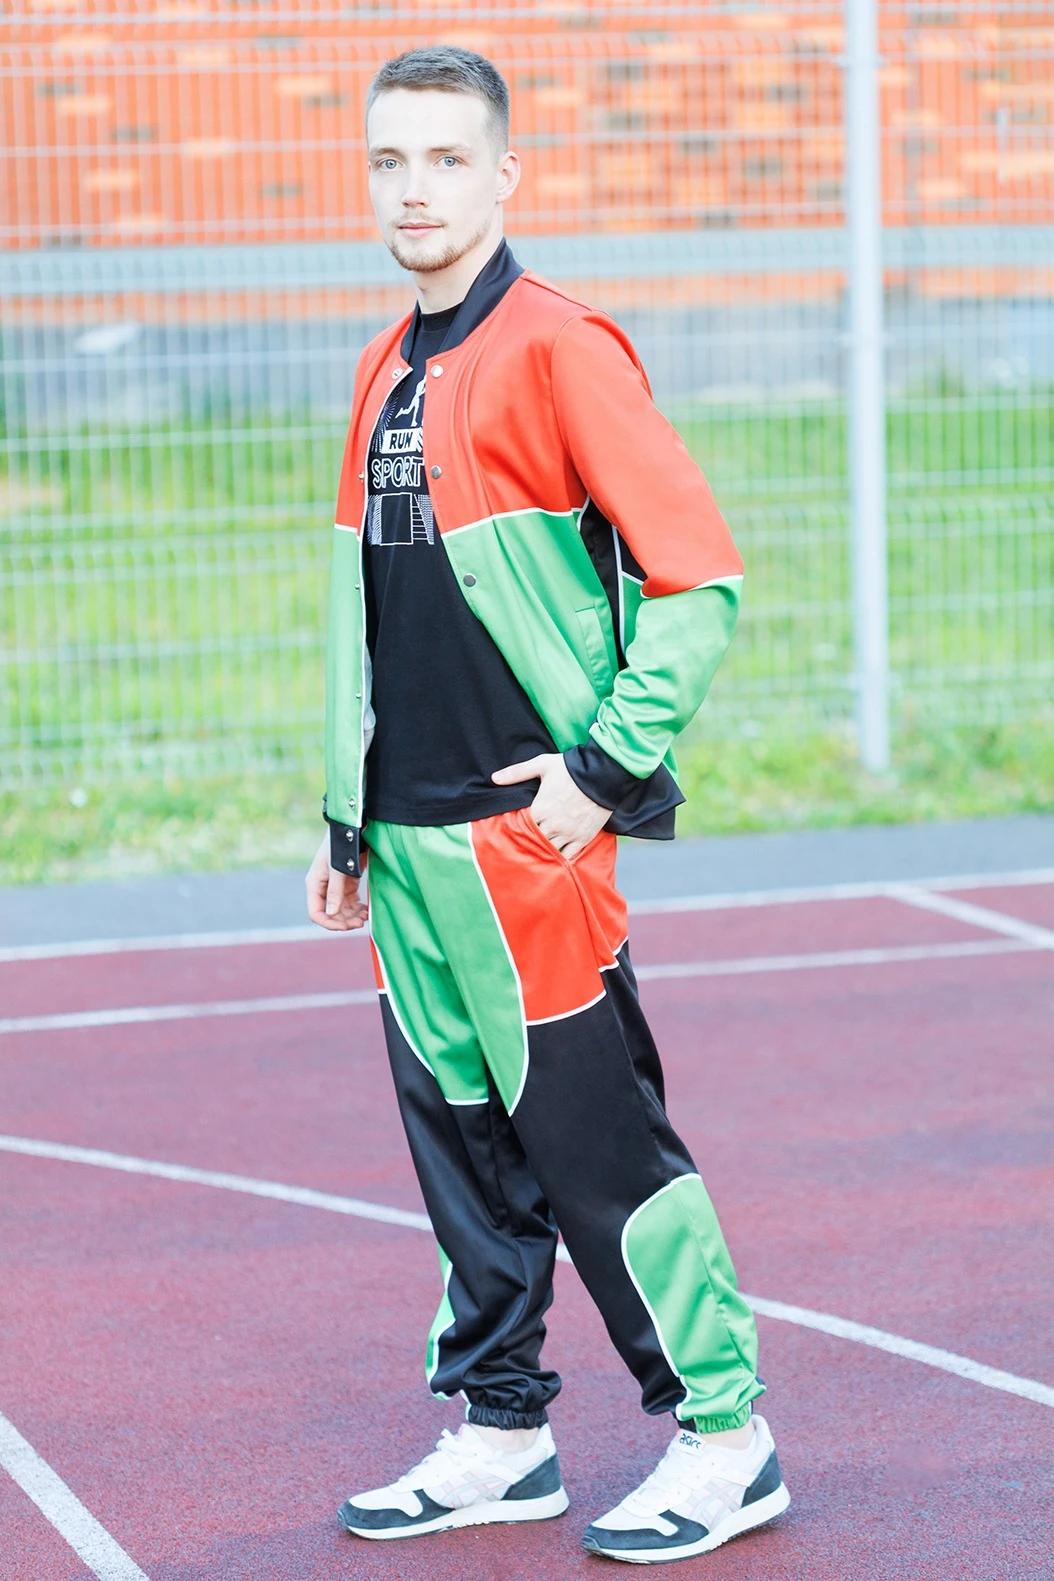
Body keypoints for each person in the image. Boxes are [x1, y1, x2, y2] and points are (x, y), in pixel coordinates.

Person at [305, 45, 789, 1566]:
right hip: (408, 845)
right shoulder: (384, 365)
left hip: (526, 843)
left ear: (504, 175)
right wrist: (346, 816)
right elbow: (371, 616)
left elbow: (699, 581)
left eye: (447, 159)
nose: (416, 189)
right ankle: (503, 1432)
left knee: (599, 1153)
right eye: (391, 160)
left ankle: (725, 1437)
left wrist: (602, 772)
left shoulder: (563, 347)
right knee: (463, 1159)